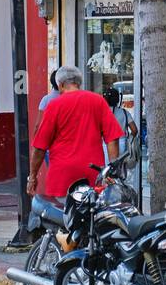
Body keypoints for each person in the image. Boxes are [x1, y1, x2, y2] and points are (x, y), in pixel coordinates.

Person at [28, 65, 122, 203]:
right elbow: (112, 138)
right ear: (79, 83)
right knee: (91, 218)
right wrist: (112, 171)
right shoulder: (98, 101)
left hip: (63, 176)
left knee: (66, 219)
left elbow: (39, 148)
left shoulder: (54, 106)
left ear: (60, 85)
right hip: (92, 173)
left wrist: (32, 177)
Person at [102, 87, 137, 159]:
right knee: (121, 167)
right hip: (122, 142)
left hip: (106, 144)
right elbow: (134, 130)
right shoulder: (124, 112)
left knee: (108, 167)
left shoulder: (102, 113)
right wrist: (129, 139)